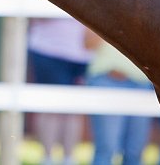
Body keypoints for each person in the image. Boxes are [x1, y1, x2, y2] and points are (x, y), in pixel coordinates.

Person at [27, 18, 92, 165]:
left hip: (81, 53)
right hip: (48, 50)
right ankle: (48, 158)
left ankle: (69, 158)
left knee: (74, 109)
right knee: (50, 107)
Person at [84, 28, 153, 165]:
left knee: (135, 150)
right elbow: (87, 43)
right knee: (107, 148)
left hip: (140, 83)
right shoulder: (103, 10)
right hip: (106, 81)